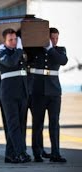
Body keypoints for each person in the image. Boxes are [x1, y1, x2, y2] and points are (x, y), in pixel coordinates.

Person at [29, 27, 68, 163]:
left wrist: (50, 48)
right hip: (38, 92)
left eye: (57, 38)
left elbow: (63, 61)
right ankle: (37, 153)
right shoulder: (36, 50)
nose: (55, 41)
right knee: (37, 124)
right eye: (52, 38)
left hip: (54, 92)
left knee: (54, 123)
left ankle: (55, 153)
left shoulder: (59, 50)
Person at [0, 28, 31, 163]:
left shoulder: (19, 51)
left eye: (15, 39)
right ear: (4, 41)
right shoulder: (1, 52)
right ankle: (21, 152)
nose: (14, 42)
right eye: (10, 40)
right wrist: (19, 50)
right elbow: (10, 62)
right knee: (13, 124)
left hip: (22, 92)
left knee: (21, 124)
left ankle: (10, 155)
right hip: (8, 93)